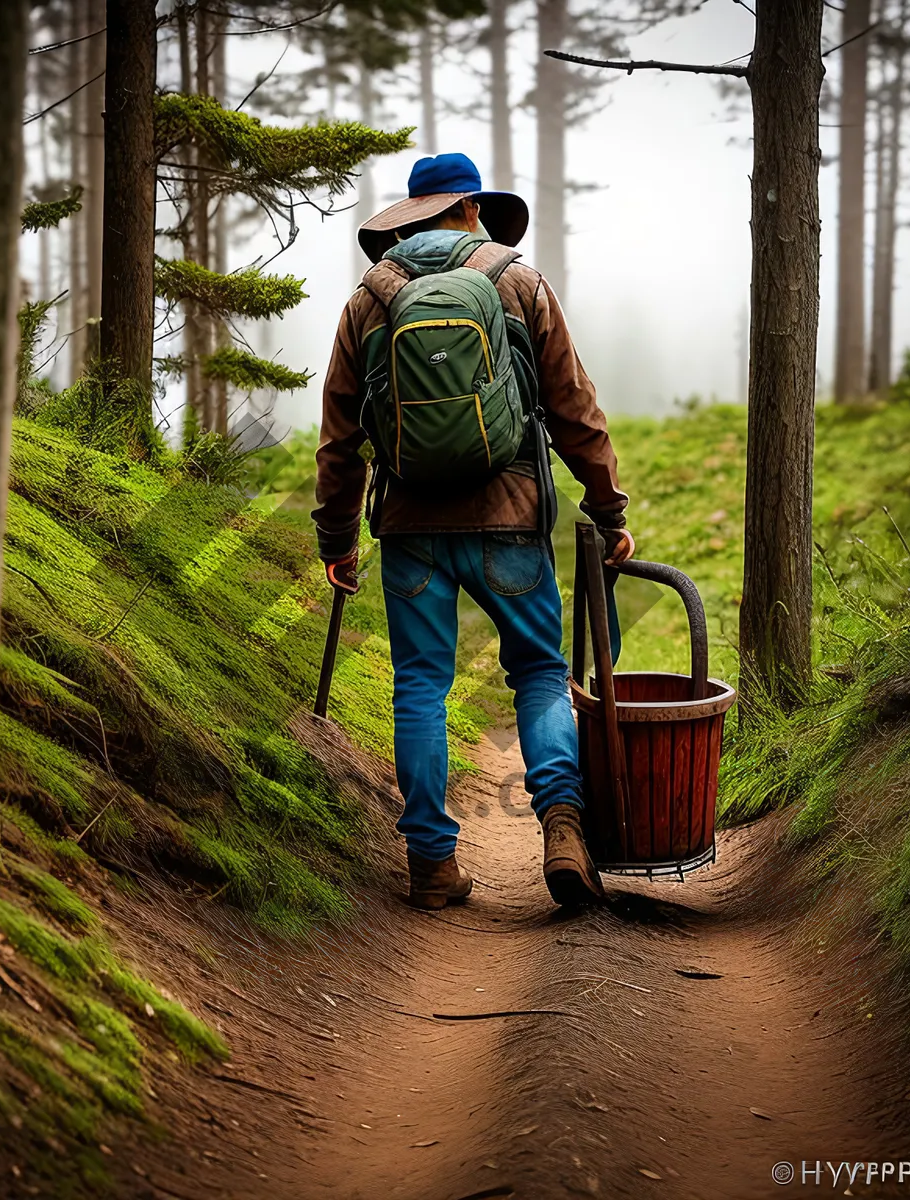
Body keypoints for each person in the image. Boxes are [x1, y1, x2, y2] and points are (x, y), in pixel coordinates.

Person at [312, 152, 634, 911]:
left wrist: (336, 540)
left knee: (421, 682)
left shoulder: (371, 297)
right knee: (538, 673)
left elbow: (339, 434)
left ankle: (431, 862)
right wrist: (609, 510)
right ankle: (561, 825)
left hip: (411, 528)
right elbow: (572, 409)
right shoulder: (519, 282)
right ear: (468, 209)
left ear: (413, 217)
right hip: (510, 521)